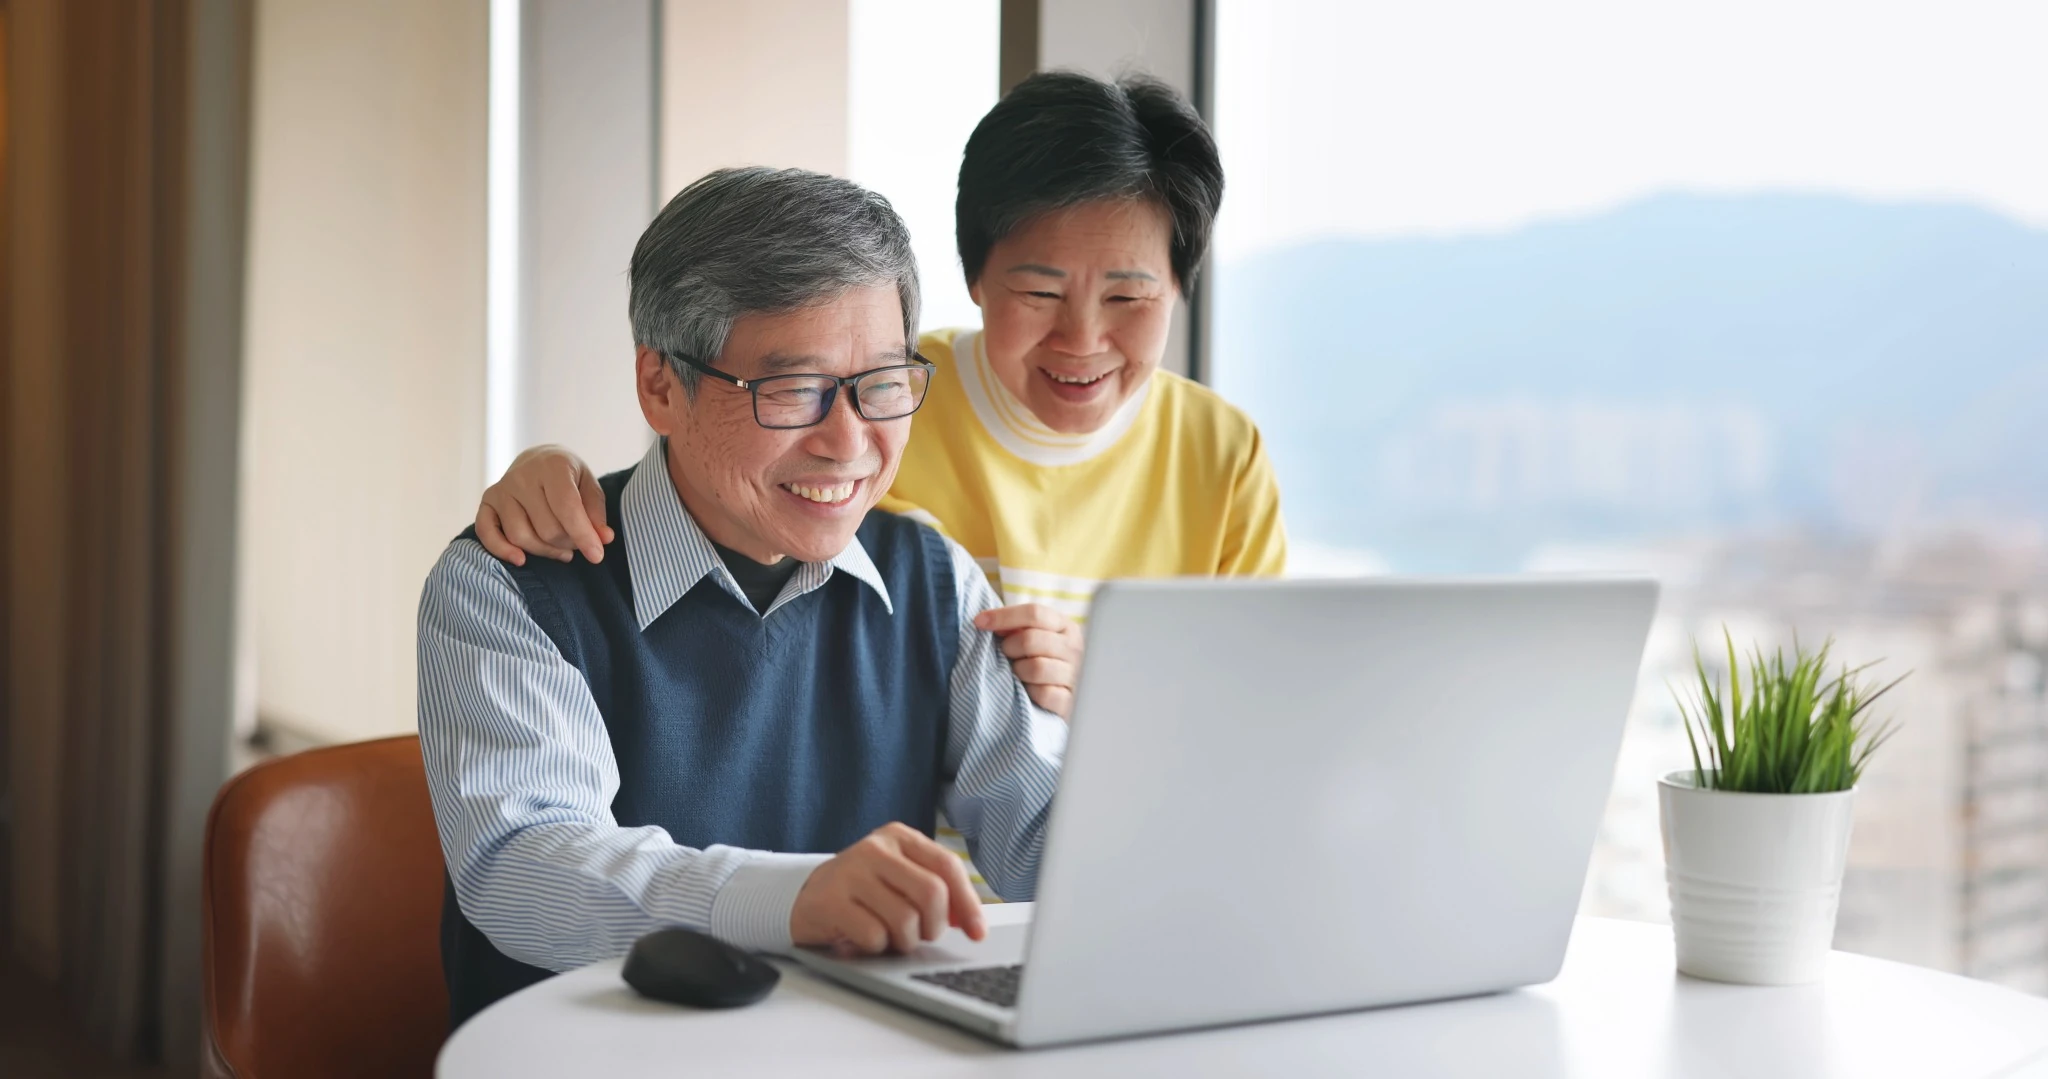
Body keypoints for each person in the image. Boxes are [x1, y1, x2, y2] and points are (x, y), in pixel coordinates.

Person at [418, 166, 1066, 1028]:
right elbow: (525, 864)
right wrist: (792, 899)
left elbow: (1045, 848)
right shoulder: (509, 583)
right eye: (793, 390)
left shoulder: (933, 582)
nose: (848, 443)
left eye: (881, 383)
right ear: (660, 386)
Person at [475, 72, 1288, 725]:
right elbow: (710, 477)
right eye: (1039, 292)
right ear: (975, 279)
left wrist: (1117, 694)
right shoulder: (881, 398)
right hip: (895, 855)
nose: (1081, 339)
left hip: (1072, 844)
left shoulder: (1223, 453)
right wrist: (548, 471)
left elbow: (1261, 708)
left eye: (1128, 299)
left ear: (1180, 289)